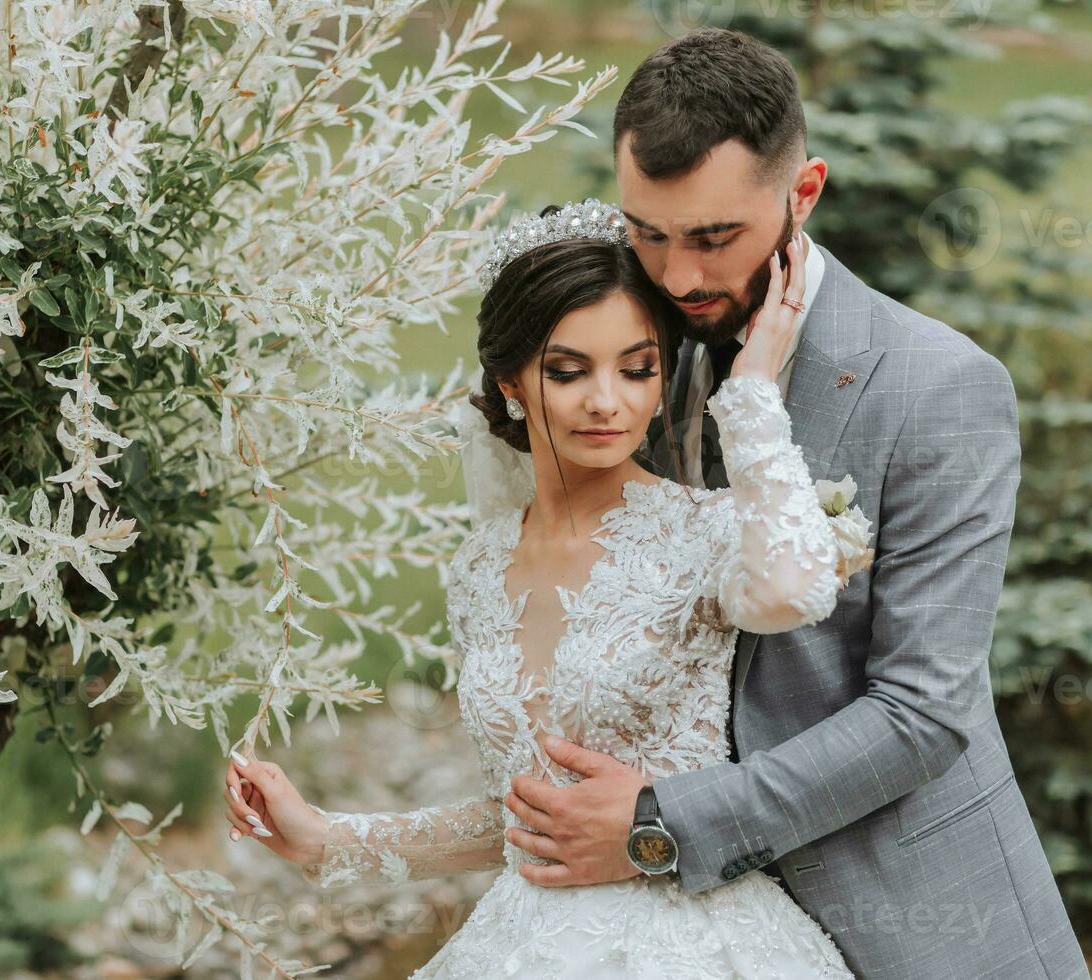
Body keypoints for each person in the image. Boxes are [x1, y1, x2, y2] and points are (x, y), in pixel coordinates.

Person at [496, 28, 1090, 980]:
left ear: (802, 192)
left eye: (714, 237)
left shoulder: (939, 387)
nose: (679, 276)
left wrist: (662, 826)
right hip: (674, 941)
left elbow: (922, 712)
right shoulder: (626, 357)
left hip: (913, 924)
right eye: (647, 232)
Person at [223, 197, 872, 977]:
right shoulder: (478, 568)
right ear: (510, 384)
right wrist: (327, 840)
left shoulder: (708, 529)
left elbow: (793, 594)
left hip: (690, 942)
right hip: (522, 942)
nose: (609, 401)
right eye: (569, 371)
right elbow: (526, 818)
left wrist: (755, 384)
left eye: (638, 368)